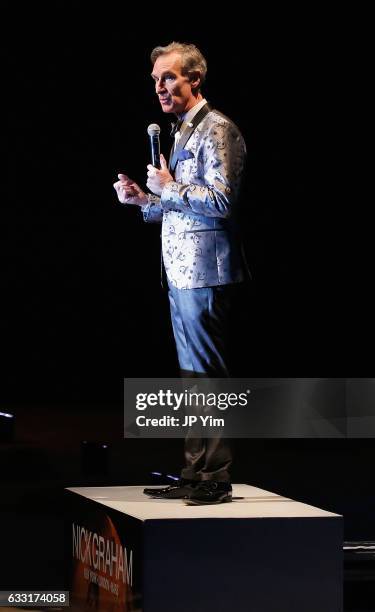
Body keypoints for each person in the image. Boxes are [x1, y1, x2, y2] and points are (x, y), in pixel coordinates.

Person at [113, 42, 248, 505]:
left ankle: (215, 475)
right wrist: (145, 201)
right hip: (181, 270)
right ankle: (194, 473)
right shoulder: (180, 132)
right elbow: (179, 207)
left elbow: (222, 203)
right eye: (155, 80)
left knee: (207, 377)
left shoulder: (218, 130)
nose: (160, 87)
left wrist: (170, 187)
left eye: (168, 77)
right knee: (191, 376)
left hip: (206, 271)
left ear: (194, 79)